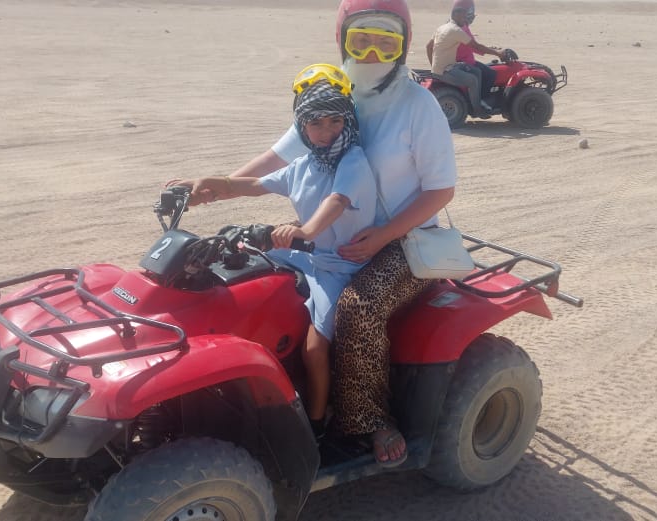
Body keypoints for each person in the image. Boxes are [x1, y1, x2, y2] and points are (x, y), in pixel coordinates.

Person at [181, 0, 458, 468]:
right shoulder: (336, 94)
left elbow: (440, 190)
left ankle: (369, 420)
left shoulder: (418, 105)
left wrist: (382, 235)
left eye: (386, 43)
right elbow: (277, 160)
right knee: (250, 274)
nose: (372, 54)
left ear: (404, 45)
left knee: (358, 307)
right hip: (337, 238)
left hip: (405, 239)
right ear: (342, 39)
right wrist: (215, 188)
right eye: (361, 40)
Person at [167, 65, 378, 440]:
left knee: (315, 347)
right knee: (238, 259)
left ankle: (317, 424)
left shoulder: (354, 160)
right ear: (302, 126)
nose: (327, 131)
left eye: (335, 121)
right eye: (316, 123)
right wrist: (203, 185)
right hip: (306, 254)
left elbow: (337, 200)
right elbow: (251, 185)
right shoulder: (304, 165)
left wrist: (304, 230)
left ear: (348, 120)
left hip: (340, 265)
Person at [425, 0, 505, 117]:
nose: (465, 20)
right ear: (455, 15)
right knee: (473, 80)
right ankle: (477, 110)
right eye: (463, 17)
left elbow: (428, 46)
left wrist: (433, 66)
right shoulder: (456, 30)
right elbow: (476, 46)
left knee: (476, 71)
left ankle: (477, 100)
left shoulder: (442, 27)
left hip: (448, 66)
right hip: (446, 70)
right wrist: (498, 53)